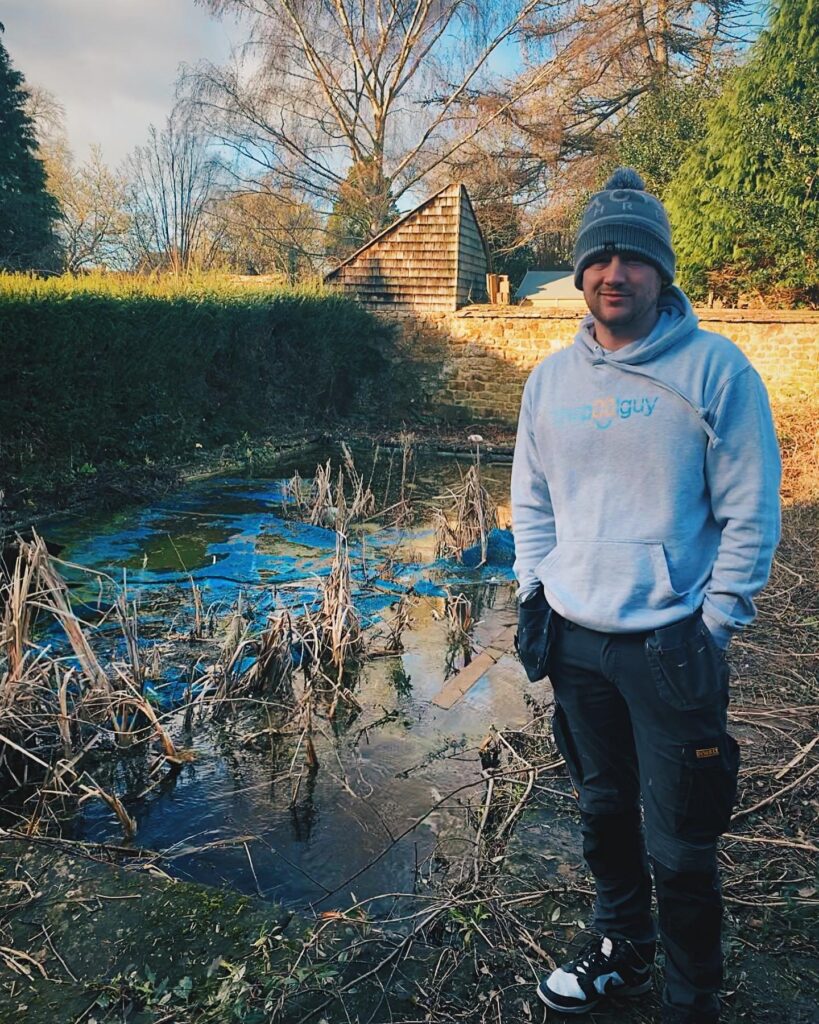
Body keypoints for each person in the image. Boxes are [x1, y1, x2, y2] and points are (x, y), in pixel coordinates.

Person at [511, 168, 781, 1024]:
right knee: (599, 812)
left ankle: (690, 996)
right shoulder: (549, 382)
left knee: (681, 840)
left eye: (632, 256)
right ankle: (617, 951)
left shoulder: (715, 369)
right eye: (598, 255)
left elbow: (751, 509)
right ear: (580, 272)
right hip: (575, 641)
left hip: (672, 646)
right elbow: (531, 499)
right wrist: (532, 592)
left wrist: (715, 622)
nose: (613, 270)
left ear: (661, 271)